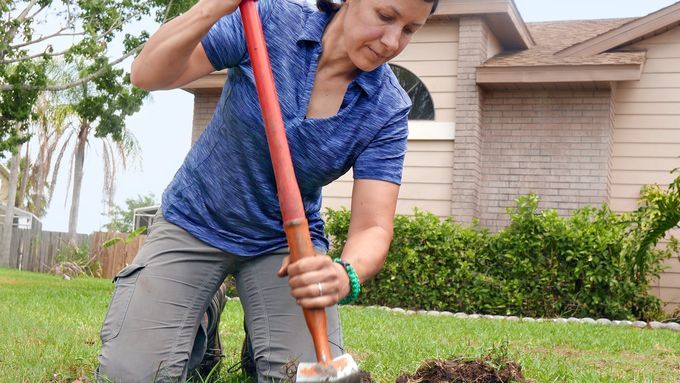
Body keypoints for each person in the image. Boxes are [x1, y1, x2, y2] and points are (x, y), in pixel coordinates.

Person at [96, 0, 438, 381]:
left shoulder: (387, 107)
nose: (392, 40)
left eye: (410, 29)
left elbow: (373, 227)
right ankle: (202, 318)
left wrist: (344, 274)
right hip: (195, 221)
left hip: (284, 247)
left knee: (305, 377)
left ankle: (263, 338)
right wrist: (213, 7)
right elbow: (147, 74)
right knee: (133, 375)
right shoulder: (268, 20)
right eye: (386, 16)